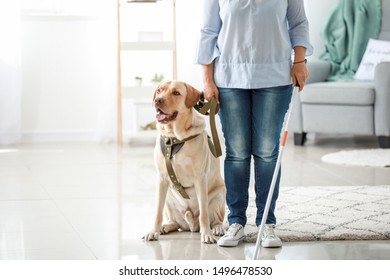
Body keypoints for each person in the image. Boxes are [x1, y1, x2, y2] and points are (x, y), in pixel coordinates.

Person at [194, 0, 313, 248]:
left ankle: (266, 223)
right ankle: (236, 221)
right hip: (229, 78)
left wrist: (299, 61)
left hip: (275, 76)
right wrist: (207, 80)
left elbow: (299, 23)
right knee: (236, 153)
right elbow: (208, 31)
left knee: (268, 153)